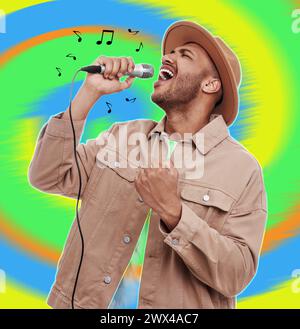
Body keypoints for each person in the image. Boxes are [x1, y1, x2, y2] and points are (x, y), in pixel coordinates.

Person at [28, 20, 267, 309]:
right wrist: (88, 94)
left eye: (185, 55)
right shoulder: (121, 136)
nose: (167, 57)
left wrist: (175, 214)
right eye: (171, 52)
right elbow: (47, 175)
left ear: (210, 84)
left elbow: (236, 274)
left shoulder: (242, 169)